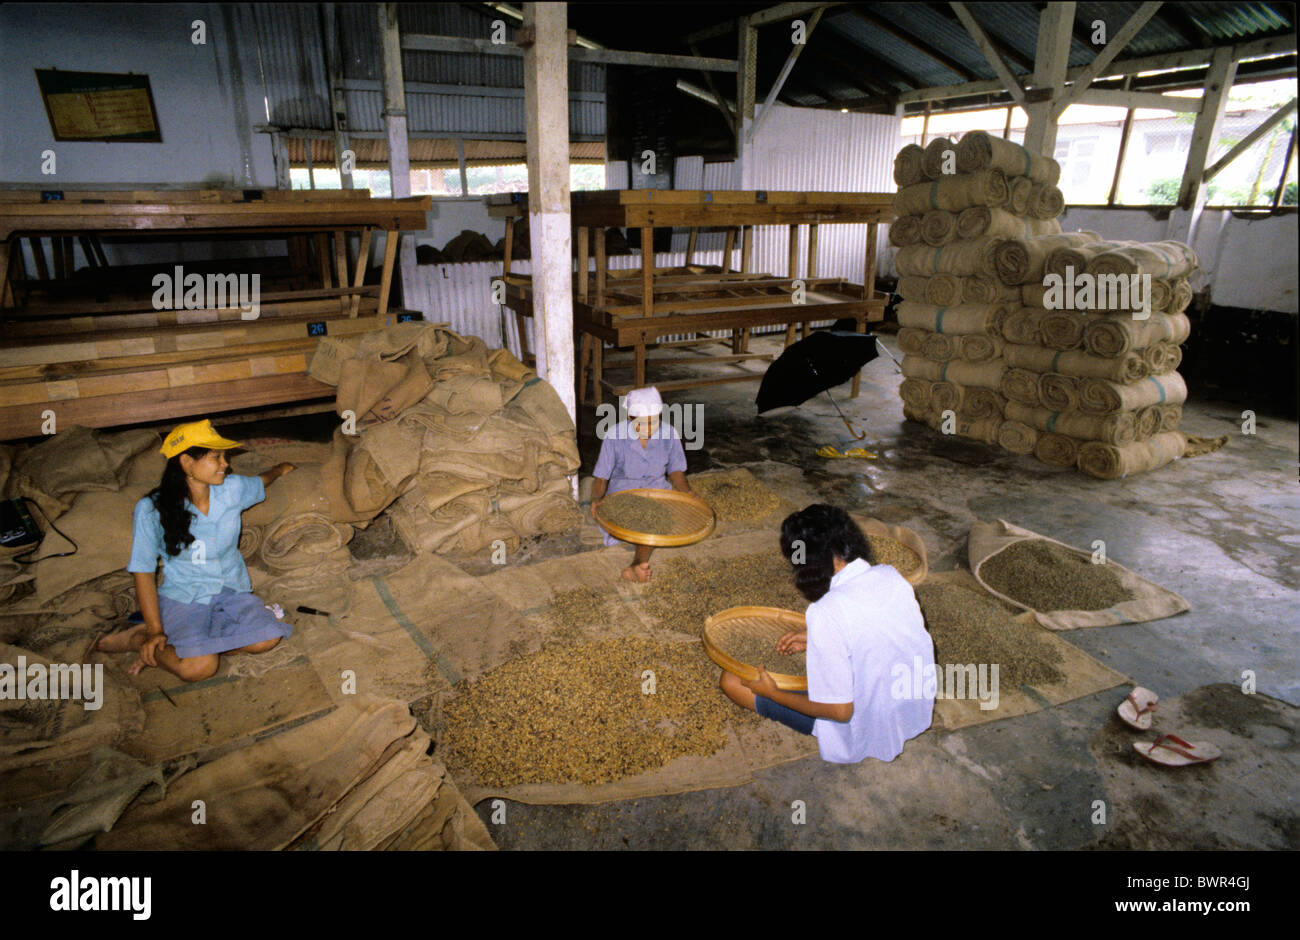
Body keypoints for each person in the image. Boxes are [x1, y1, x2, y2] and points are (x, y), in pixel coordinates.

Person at [719, 504, 935, 764]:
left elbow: (840, 711)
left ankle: (789, 707)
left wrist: (773, 693)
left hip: (869, 723)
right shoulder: (889, 575)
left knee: (731, 681)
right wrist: (819, 639)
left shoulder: (824, 612)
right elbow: (877, 629)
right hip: (911, 706)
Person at [95, 419, 296, 681]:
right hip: (185, 595)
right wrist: (155, 630)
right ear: (187, 462)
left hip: (231, 590)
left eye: (224, 456)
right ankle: (139, 637)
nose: (226, 464)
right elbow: (143, 571)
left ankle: (199, 640)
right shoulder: (151, 509)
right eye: (216, 457)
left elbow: (261, 482)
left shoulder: (232, 489)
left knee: (268, 638)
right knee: (200, 669)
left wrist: (279, 470)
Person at [590, 386, 692, 583]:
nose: (648, 428)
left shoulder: (669, 434)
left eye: (653, 421)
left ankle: (636, 565)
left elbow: (676, 471)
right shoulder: (614, 436)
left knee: (661, 519)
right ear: (629, 417)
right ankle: (638, 563)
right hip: (624, 494)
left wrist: (688, 493)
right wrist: (595, 499)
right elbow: (601, 477)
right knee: (644, 524)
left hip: (658, 491)